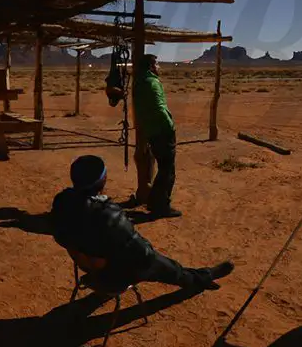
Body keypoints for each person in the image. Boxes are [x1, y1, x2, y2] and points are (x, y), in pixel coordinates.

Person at [52, 155, 234, 292]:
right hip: (115, 274)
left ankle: (199, 276)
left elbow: (59, 235)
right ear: (102, 180)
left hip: (87, 265)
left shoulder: (63, 202)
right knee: (162, 265)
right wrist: (149, 252)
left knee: (136, 255)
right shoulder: (108, 214)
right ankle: (201, 278)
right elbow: (143, 254)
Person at [132, 53, 180, 217]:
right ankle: (161, 206)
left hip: (151, 130)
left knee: (164, 168)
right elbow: (159, 108)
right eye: (157, 64)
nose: (159, 67)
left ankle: (154, 201)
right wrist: (170, 127)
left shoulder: (139, 82)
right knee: (167, 170)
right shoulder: (152, 82)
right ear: (151, 66)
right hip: (162, 131)